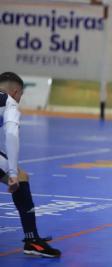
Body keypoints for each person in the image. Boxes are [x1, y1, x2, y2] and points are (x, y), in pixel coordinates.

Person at [0, 72, 61, 258]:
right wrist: (12, 173)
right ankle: (32, 240)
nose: (19, 100)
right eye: (21, 96)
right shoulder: (8, 102)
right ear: (16, 92)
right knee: (21, 177)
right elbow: (11, 135)